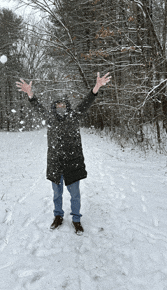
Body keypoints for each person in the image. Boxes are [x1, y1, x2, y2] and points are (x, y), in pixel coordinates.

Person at [16, 72, 111, 235]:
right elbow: (37, 106)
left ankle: (76, 219)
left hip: (72, 163)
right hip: (55, 163)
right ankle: (58, 216)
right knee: (56, 194)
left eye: (63, 106)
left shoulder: (74, 116)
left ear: (67, 107)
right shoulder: (50, 118)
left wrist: (96, 87)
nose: (61, 108)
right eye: (58, 106)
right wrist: (30, 94)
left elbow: (86, 102)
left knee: (75, 195)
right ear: (54, 108)